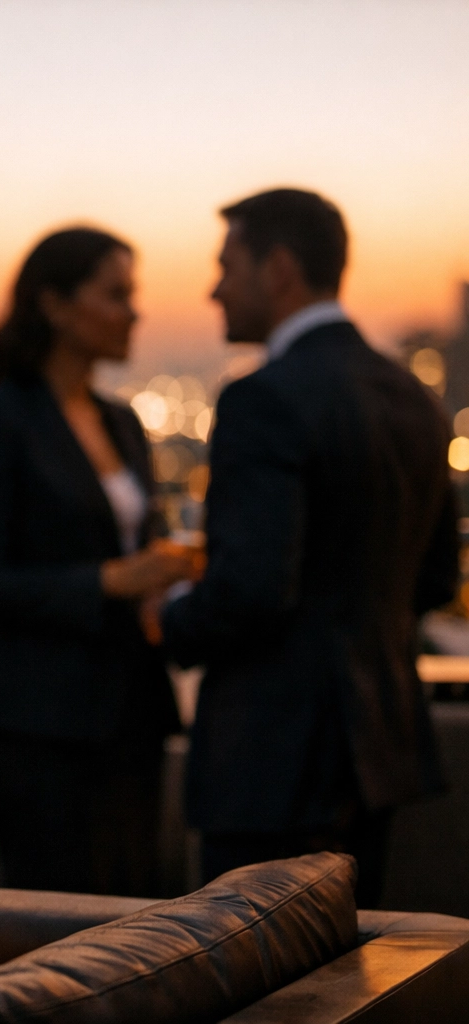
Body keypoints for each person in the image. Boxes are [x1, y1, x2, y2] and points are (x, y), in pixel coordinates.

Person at [159, 189, 459, 908]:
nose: (212, 288)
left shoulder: (262, 398)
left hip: (272, 756)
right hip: (377, 747)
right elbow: (438, 574)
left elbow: (251, 589)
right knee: (344, 986)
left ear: (280, 268)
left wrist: (170, 617)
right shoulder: (413, 396)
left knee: (248, 984)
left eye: (228, 265)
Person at [0, 228, 197, 896]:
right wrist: (112, 580)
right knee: (53, 928)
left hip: (132, 713)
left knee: (135, 920)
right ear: (54, 304)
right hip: (41, 722)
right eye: (116, 294)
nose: (133, 313)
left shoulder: (124, 424)